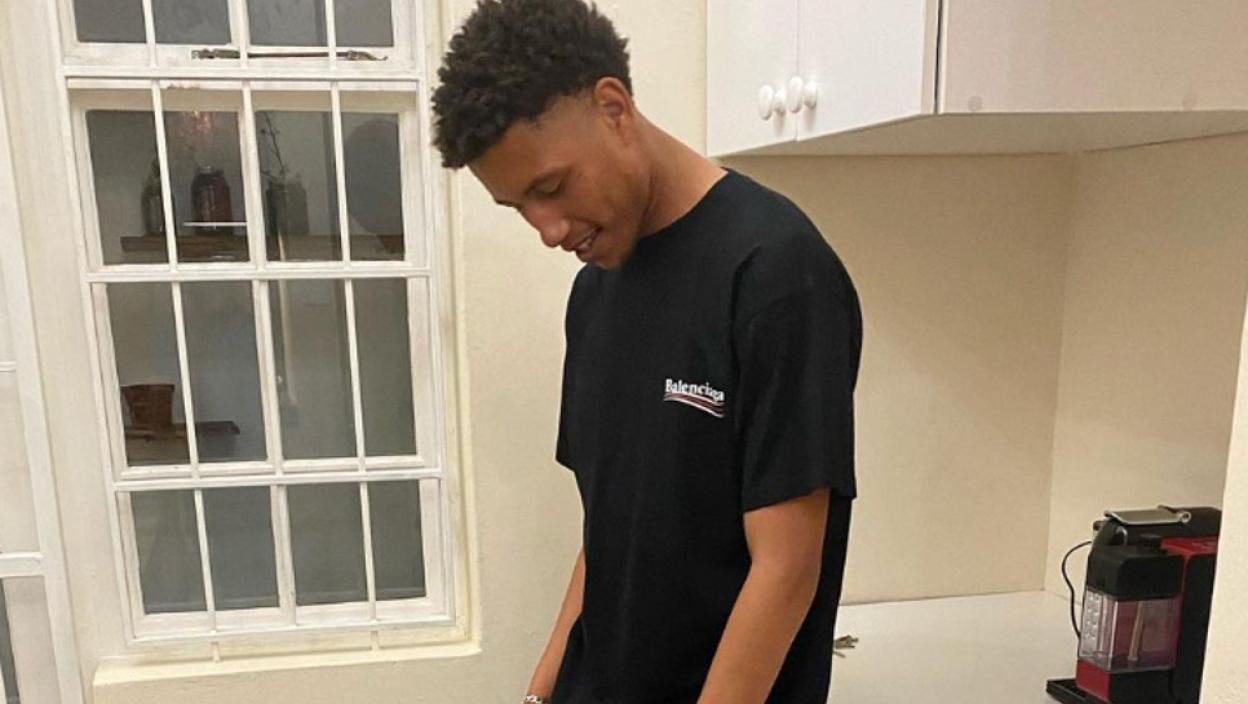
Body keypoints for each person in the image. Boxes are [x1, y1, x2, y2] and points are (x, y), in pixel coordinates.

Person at [432, 1, 862, 702]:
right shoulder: (594, 291)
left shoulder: (777, 274)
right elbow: (606, 537)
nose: (546, 230)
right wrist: (539, 694)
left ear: (614, 108)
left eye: (551, 187)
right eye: (519, 208)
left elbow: (785, 570)